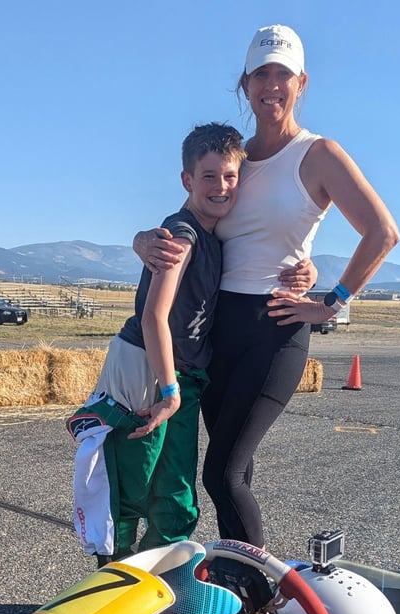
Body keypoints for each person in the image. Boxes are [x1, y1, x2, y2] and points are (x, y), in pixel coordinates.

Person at [135, 24, 400, 548]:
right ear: (245, 83)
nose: (271, 85)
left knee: (221, 474)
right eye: (261, 74)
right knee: (240, 471)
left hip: (274, 331)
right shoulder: (234, 161)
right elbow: (196, 222)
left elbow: (382, 232)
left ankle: (260, 585)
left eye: (283, 74)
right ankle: (240, 589)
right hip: (218, 333)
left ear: (301, 83)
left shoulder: (318, 153)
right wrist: (142, 239)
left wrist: (331, 300)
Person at [68, 122, 245, 566]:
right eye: (209, 176)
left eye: (230, 176)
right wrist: (168, 391)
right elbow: (153, 314)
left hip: (181, 374)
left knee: (176, 495)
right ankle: (112, 578)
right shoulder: (181, 235)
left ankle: (157, 578)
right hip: (147, 368)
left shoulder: (212, 233)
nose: (221, 187)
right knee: (133, 481)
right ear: (187, 180)